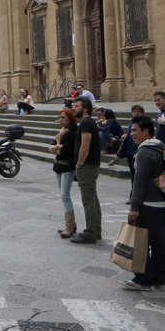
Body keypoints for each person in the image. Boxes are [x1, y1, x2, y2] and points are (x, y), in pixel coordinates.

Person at [120, 115, 165, 291]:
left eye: (134, 130)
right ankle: (160, 278)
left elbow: (139, 181)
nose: (131, 134)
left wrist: (134, 208)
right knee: (159, 243)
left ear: (146, 131)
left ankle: (142, 279)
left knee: (141, 243)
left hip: (150, 205)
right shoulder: (162, 148)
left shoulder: (144, 151)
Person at [70, 97, 102, 244]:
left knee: (88, 200)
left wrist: (79, 164)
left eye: (77, 106)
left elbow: (85, 146)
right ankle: (96, 231)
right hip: (90, 164)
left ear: (85, 109)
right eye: (73, 105)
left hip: (87, 165)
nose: (73, 108)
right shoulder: (87, 123)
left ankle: (90, 233)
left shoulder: (86, 123)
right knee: (93, 199)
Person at [48, 108, 78, 239]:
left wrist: (58, 145)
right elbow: (51, 147)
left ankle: (69, 226)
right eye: (59, 117)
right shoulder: (61, 132)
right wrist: (57, 147)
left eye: (63, 118)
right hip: (59, 166)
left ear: (70, 119)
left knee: (65, 195)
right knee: (62, 195)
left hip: (68, 166)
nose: (60, 120)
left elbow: (66, 151)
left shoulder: (72, 132)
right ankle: (71, 224)